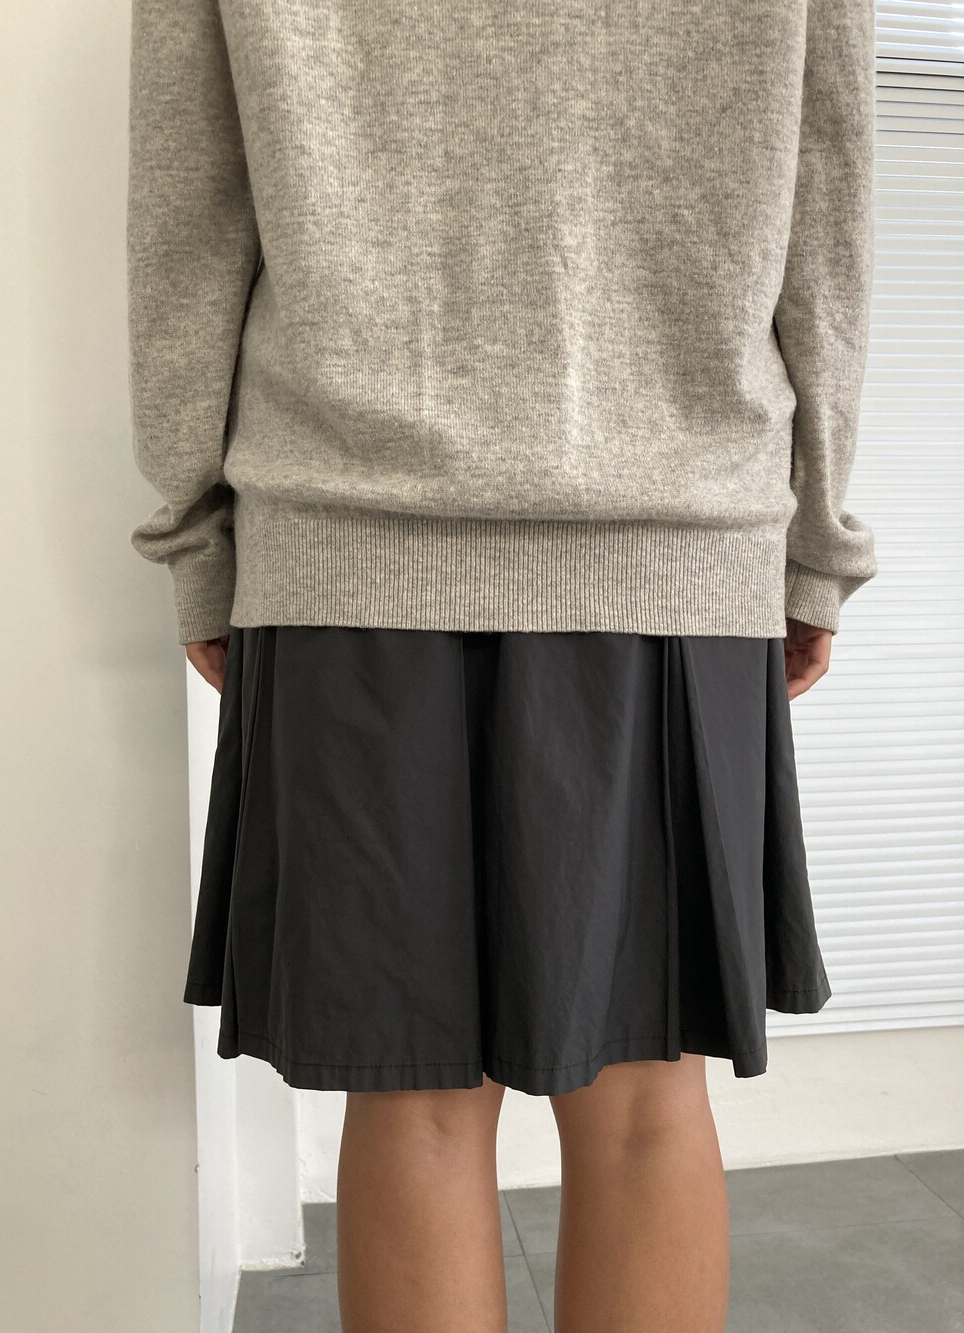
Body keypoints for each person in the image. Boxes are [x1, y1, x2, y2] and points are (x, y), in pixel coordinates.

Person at [125, 1, 877, 1329]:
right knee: (646, 1094)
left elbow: (190, 207)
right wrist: (814, 541)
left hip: (349, 539)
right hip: (673, 535)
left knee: (411, 1096)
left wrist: (197, 534)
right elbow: (828, 200)